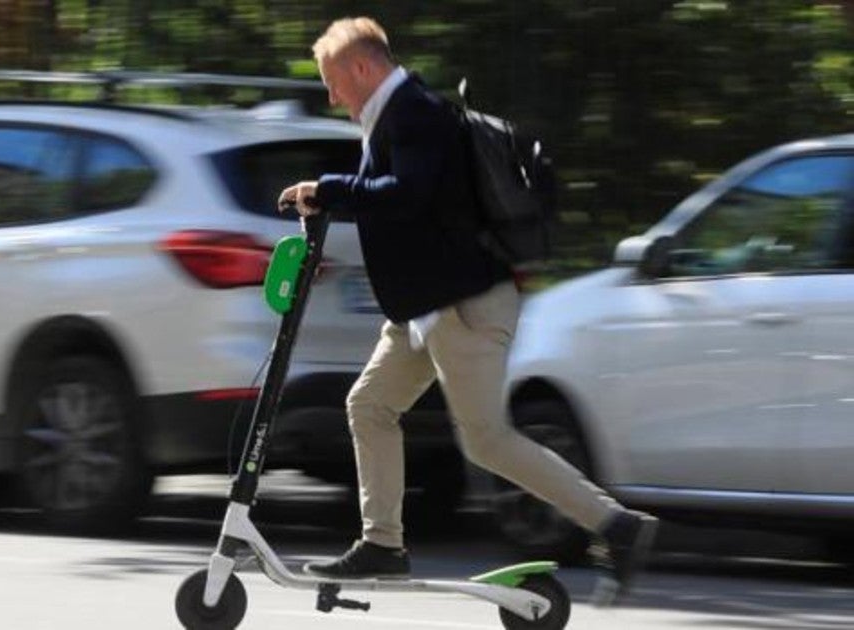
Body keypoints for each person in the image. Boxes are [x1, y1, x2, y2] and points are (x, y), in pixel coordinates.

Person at [278, 16, 658, 605]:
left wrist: (327, 190)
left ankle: (617, 526)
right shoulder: (393, 117)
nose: (332, 96)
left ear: (361, 68)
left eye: (333, 81)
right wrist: (330, 202)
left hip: (465, 308)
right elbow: (402, 207)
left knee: (485, 440)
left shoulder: (417, 115)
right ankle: (382, 542)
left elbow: (405, 197)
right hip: (425, 309)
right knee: (369, 404)